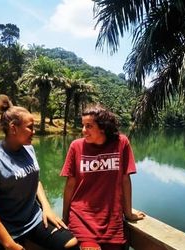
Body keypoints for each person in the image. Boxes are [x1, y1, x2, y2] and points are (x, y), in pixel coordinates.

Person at [0, 94, 79, 250]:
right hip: (4, 230)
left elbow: (35, 180)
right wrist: (9, 244)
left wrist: (47, 208)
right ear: (13, 128)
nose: (34, 131)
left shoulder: (29, 149)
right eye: (30, 127)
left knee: (71, 244)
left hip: (33, 219)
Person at [60, 104, 145, 250]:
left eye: (89, 126)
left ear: (103, 128)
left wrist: (128, 213)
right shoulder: (76, 146)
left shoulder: (121, 143)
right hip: (82, 218)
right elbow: (70, 185)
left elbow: (125, 180)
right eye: (83, 125)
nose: (83, 131)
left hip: (112, 221)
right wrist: (65, 217)